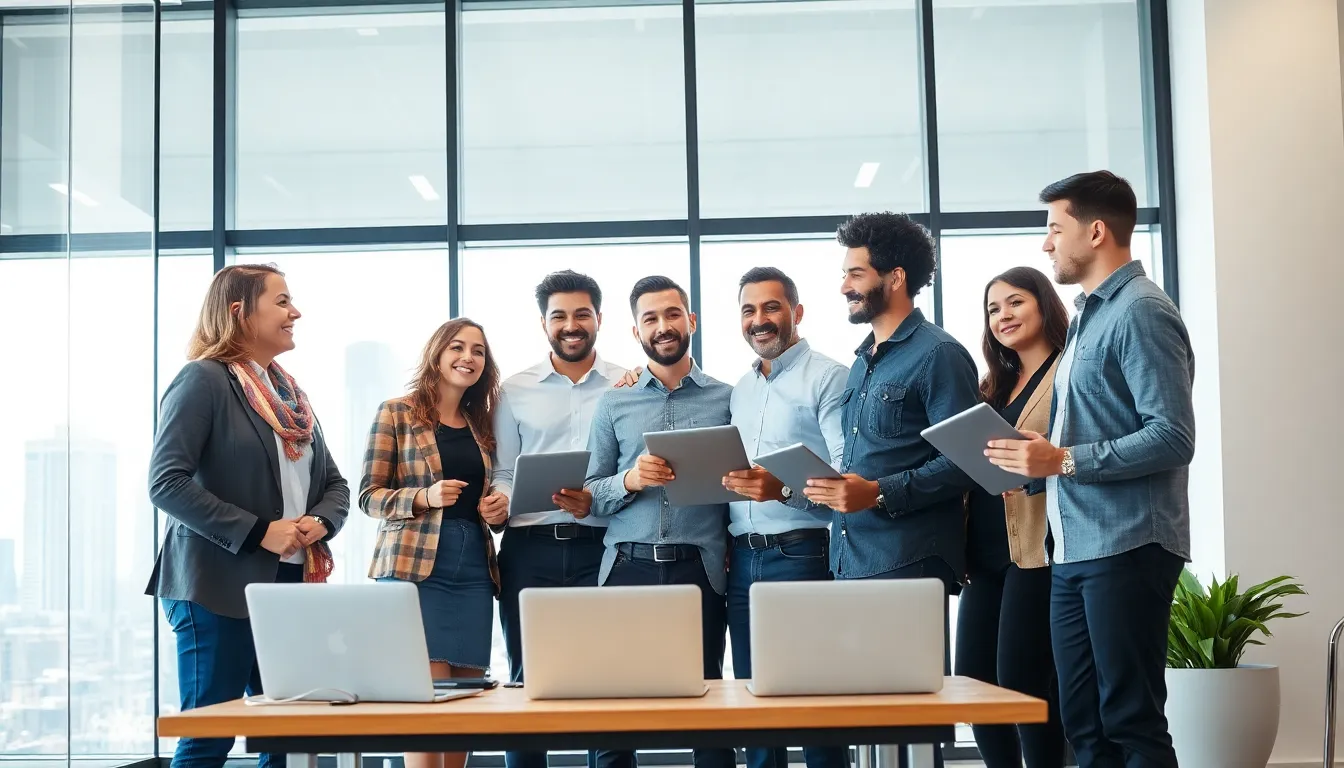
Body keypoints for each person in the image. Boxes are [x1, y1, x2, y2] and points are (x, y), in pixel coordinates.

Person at [985, 171, 1195, 768]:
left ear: (1096, 230)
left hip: (1128, 543)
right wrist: (1035, 455)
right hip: (1073, 548)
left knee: (1130, 719)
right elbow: (1089, 431)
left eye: (1055, 229)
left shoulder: (1142, 311)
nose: (1046, 244)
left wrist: (1064, 458)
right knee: (1083, 723)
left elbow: (1173, 436)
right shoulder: (1086, 317)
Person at [147, 263, 349, 768]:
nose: (295, 311)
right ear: (239, 311)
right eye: (282, 301)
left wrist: (318, 522)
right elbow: (165, 483)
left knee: (282, 735)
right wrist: (260, 531)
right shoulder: (203, 380)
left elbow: (336, 486)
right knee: (210, 735)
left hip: (286, 588)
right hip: (214, 589)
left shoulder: (290, 397)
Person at [802, 212, 979, 768]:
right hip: (852, 560)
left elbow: (968, 463)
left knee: (913, 725)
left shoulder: (939, 354)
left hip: (908, 561)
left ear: (895, 278)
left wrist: (876, 493)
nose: (844, 286)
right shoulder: (862, 362)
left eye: (856, 273)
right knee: (871, 719)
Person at [583, 275, 735, 768]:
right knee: (613, 718)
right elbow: (587, 493)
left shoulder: (728, 397)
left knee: (709, 715)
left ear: (691, 321)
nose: (663, 326)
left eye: (673, 315)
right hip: (627, 568)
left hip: (701, 569)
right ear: (635, 332)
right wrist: (630, 480)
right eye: (651, 318)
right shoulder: (614, 401)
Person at [492, 271, 628, 768]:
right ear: (544, 323)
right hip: (530, 549)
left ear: (598, 319)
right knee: (530, 681)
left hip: (604, 546)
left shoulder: (627, 382)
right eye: (559, 317)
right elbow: (504, 470)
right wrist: (499, 499)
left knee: (608, 681)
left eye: (581, 314)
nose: (571, 325)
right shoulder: (514, 390)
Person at [361, 318, 510, 768]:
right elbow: (369, 496)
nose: (468, 357)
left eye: (478, 351)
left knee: (464, 710)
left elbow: (488, 497)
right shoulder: (397, 412)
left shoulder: (481, 426)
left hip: (473, 574)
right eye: (458, 347)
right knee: (426, 707)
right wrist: (423, 496)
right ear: (437, 354)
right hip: (414, 571)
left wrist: (496, 512)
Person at [719, 267, 849, 768]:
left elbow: (844, 480)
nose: (759, 320)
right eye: (748, 310)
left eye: (771, 307)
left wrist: (784, 491)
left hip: (804, 553)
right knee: (757, 708)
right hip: (742, 561)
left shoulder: (829, 377)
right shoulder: (739, 389)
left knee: (813, 702)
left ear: (796, 313)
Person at [955, 267, 1068, 768]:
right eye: (993, 309)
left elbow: (1069, 455)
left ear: (1044, 304)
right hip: (982, 554)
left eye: (1015, 303)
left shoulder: (1067, 373)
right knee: (974, 683)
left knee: (1025, 682)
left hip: (1034, 552)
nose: (1003, 316)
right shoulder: (992, 387)